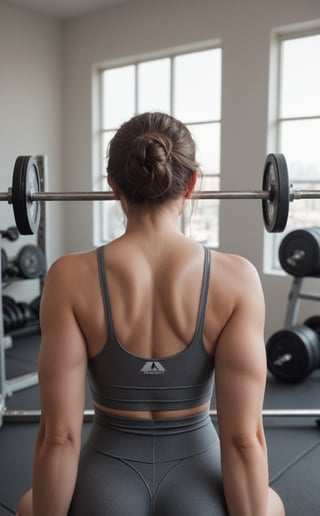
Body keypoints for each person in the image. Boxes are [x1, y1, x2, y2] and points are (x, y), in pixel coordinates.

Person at [17, 111, 285, 516]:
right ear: (193, 183)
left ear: (113, 187)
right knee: (274, 503)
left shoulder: (68, 276)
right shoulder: (238, 278)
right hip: (203, 490)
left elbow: (59, 436)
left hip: (103, 490)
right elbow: (244, 439)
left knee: (27, 504)